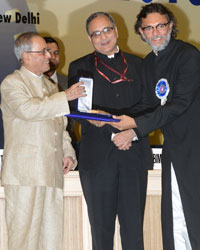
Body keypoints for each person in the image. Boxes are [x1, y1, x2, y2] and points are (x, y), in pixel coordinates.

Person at [109, 3, 200, 250]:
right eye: (148, 28)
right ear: (141, 31)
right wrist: (113, 121)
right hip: (174, 151)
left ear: (171, 26)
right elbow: (148, 106)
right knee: (176, 216)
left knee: (194, 214)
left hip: (195, 148)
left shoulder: (188, 56)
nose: (156, 33)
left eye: (161, 26)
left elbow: (179, 104)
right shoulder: (149, 63)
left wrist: (136, 127)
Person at [68, 12, 152, 250]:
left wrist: (130, 132)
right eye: (96, 33)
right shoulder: (80, 67)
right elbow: (82, 112)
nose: (103, 37)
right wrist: (115, 133)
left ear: (116, 31)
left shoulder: (140, 65)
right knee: (101, 232)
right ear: (89, 38)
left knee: (134, 231)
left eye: (107, 30)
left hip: (133, 156)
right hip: (97, 160)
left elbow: (149, 106)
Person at [0, 31, 86, 250]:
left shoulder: (50, 87)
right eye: (43, 51)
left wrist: (68, 151)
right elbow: (28, 110)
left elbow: (60, 124)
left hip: (51, 171)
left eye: (49, 51)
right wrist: (65, 96)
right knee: (23, 238)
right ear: (26, 56)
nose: (49, 56)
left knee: (51, 237)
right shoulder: (12, 83)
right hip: (25, 174)